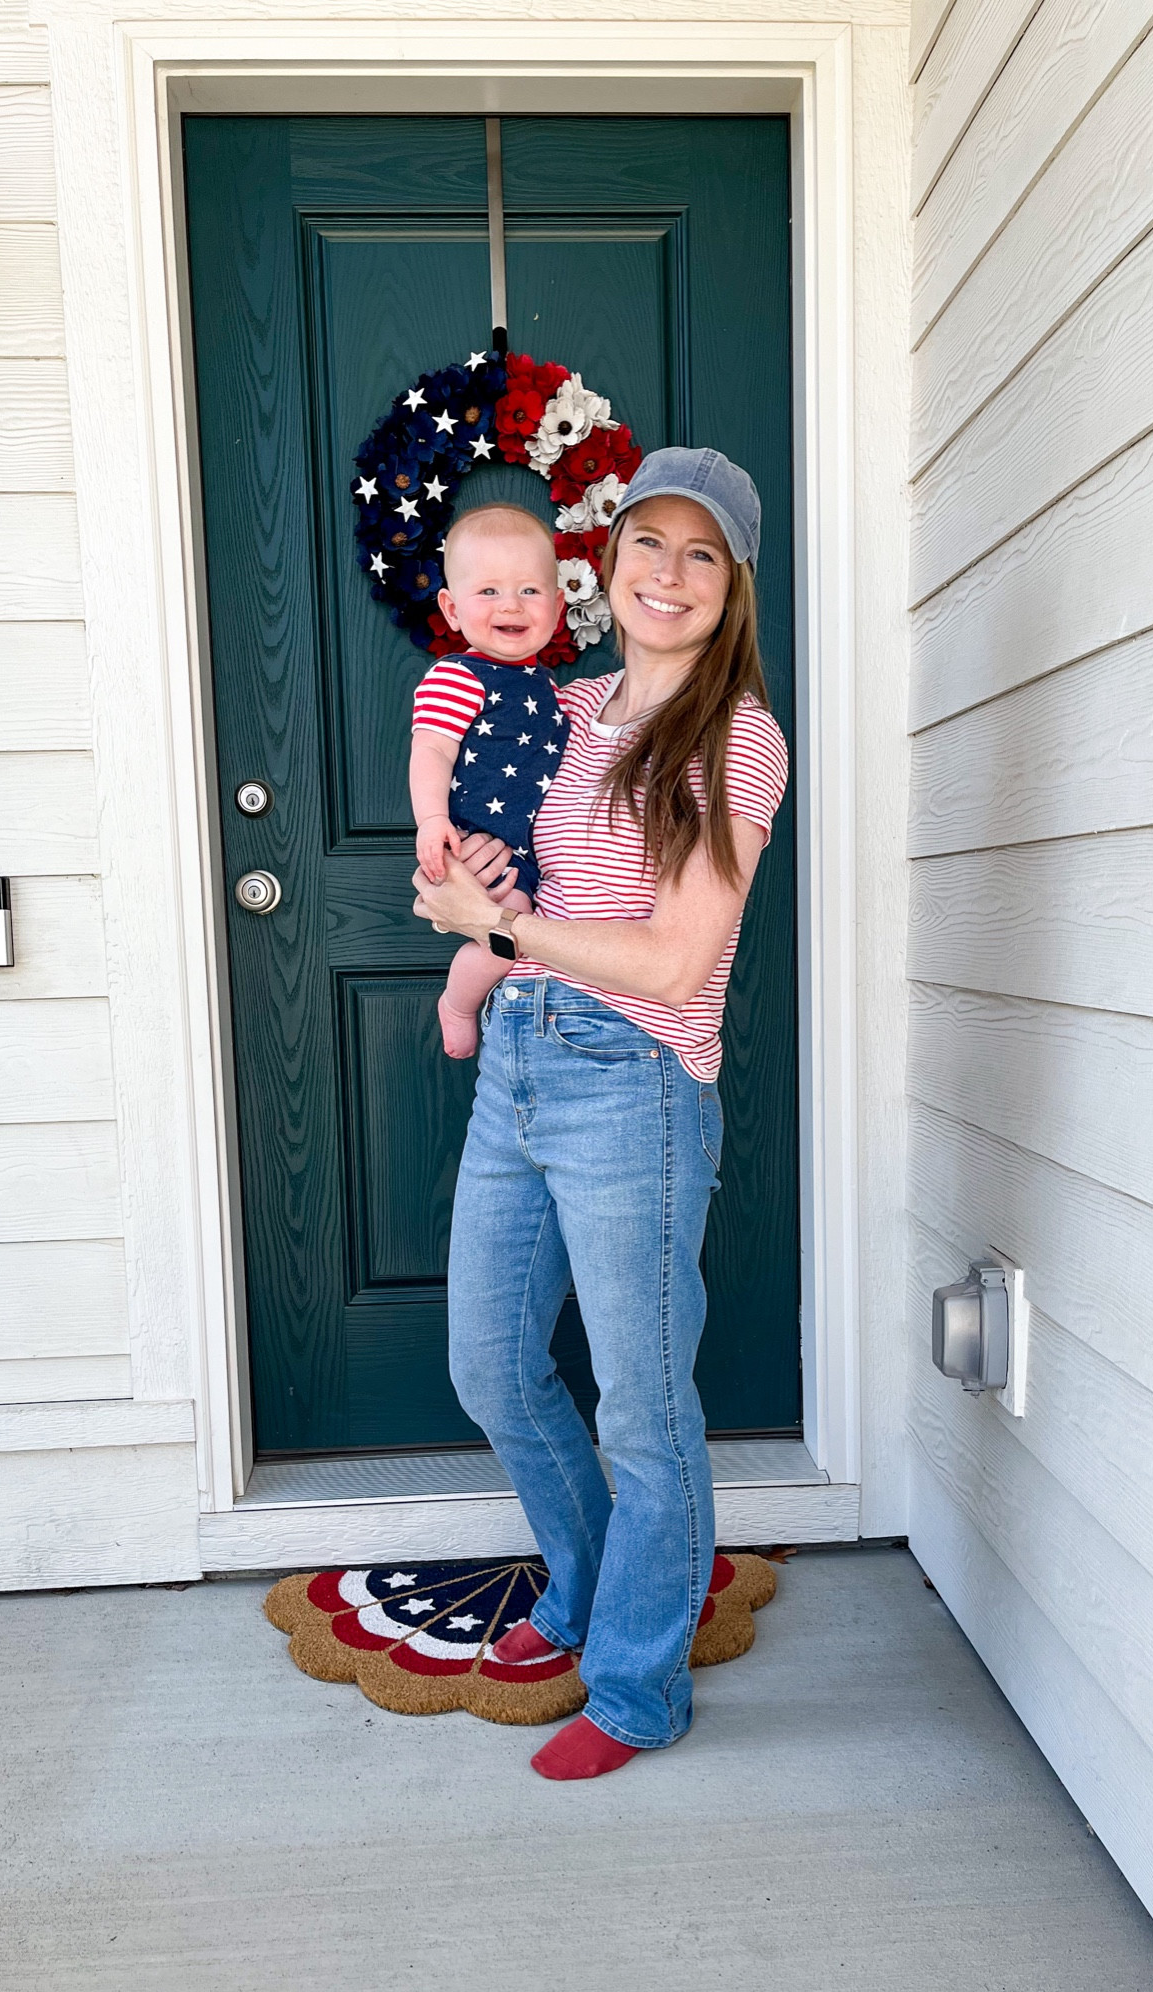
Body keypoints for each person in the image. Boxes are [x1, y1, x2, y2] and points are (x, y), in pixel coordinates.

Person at [411, 448, 788, 1779]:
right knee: (490, 1364)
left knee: (642, 1405)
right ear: (608, 563)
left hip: (634, 1078)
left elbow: (679, 962)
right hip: (518, 1058)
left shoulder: (737, 739)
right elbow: (478, 829)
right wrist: (461, 870)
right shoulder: (565, 705)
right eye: (648, 544)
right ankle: (582, 1589)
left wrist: (501, 930)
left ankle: (635, 1688)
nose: (668, 573)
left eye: (702, 553)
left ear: (734, 583)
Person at [408, 503, 565, 1058]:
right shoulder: (457, 677)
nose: (511, 605)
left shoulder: (552, 689)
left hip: (527, 851)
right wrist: (432, 821)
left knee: (521, 935)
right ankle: (458, 1003)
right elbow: (431, 749)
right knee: (506, 938)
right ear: (451, 609)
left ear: (558, 606)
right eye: (489, 591)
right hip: (475, 842)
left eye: (529, 590)